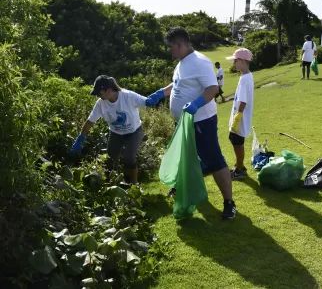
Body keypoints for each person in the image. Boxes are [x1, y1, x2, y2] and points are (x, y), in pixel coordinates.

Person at [145, 27, 236, 220]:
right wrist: (162, 92)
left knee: (214, 160)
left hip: (202, 120)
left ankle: (229, 203)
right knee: (187, 157)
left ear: (180, 44)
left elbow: (213, 88)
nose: (169, 50)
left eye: (171, 47)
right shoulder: (182, 63)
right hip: (184, 122)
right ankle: (184, 187)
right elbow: (178, 84)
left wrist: (196, 104)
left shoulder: (200, 62)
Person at [70, 75, 146, 184]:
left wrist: (157, 96)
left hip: (134, 132)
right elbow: (90, 122)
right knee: (110, 157)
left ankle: (134, 184)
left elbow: (146, 101)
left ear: (109, 90)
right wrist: (81, 138)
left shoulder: (128, 96)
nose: (98, 96)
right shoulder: (101, 104)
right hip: (116, 133)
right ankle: (110, 183)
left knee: (129, 157)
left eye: (99, 93)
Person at [226, 48, 254, 180]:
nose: (234, 64)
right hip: (241, 115)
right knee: (236, 140)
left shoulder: (244, 79)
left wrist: (238, 116)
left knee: (236, 140)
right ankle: (239, 165)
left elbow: (243, 100)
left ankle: (240, 168)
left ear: (242, 61)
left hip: (240, 116)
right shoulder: (247, 75)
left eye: (235, 61)